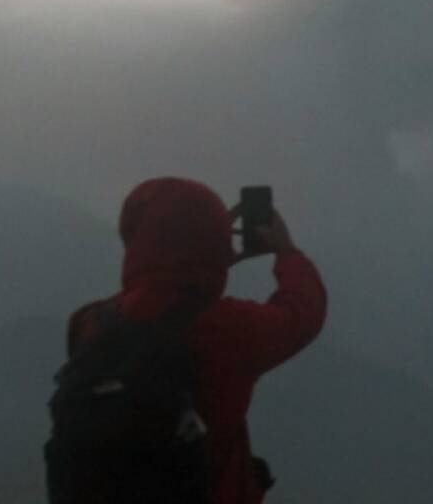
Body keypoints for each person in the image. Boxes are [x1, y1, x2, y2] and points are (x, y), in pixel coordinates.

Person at [63, 177, 328, 503]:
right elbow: (303, 313)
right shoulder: (228, 330)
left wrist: (207, 256)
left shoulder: (89, 323)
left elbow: (155, 293)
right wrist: (286, 252)